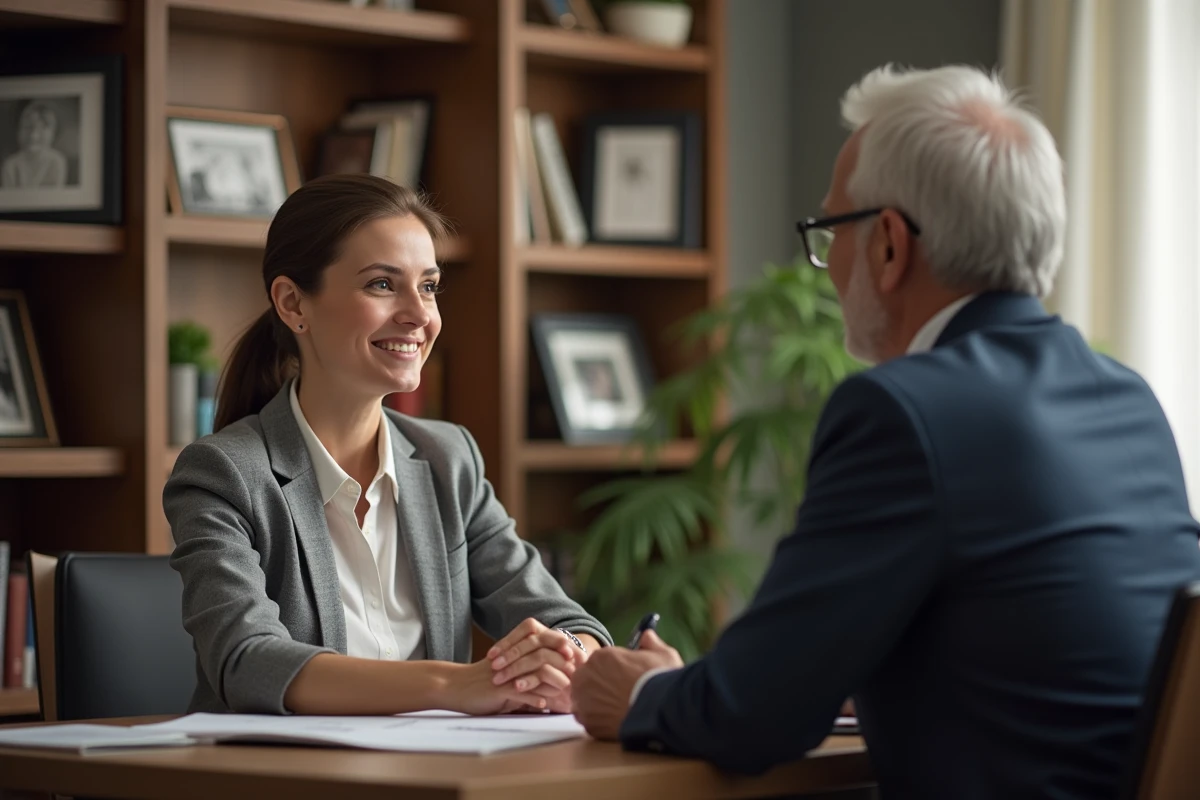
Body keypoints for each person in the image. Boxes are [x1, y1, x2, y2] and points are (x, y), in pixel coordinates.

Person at [571, 64, 1200, 799]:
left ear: (890, 245)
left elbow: (752, 716)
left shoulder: (903, 411)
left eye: (830, 229)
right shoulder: (1127, 399)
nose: (828, 263)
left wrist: (643, 696)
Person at [165, 174, 612, 716]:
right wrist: (455, 686)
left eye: (428, 285)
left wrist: (564, 656)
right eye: (382, 284)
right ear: (292, 303)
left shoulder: (450, 460)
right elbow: (247, 661)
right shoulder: (224, 473)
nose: (420, 315)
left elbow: (569, 623)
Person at [1, 101, 67, 189]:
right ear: (18, 131)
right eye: (28, 127)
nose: (33, 135)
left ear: (52, 133)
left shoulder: (57, 162)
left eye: (42, 128)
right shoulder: (11, 165)